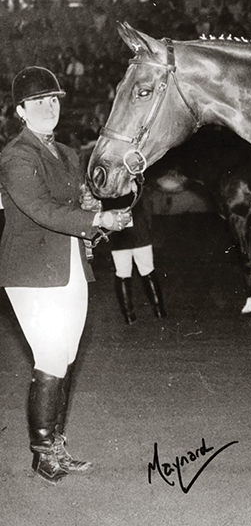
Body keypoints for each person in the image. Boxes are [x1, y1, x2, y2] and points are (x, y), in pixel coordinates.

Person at [0, 66, 132, 484]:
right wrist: (99, 220)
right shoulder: (16, 157)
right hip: (32, 272)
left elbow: (80, 200)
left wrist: (104, 204)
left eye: (53, 99)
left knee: (66, 358)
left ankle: (56, 444)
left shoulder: (69, 154)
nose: (48, 107)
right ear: (21, 110)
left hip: (72, 265)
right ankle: (42, 454)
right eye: (39, 102)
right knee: (52, 357)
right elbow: (41, 210)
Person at [105, 191, 166, 325]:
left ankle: (129, 316)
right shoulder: (136, 182)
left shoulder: (106, 187)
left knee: (122, 274)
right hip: (139, 233)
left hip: (120, 234)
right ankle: (159, 311)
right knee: (147, 270)